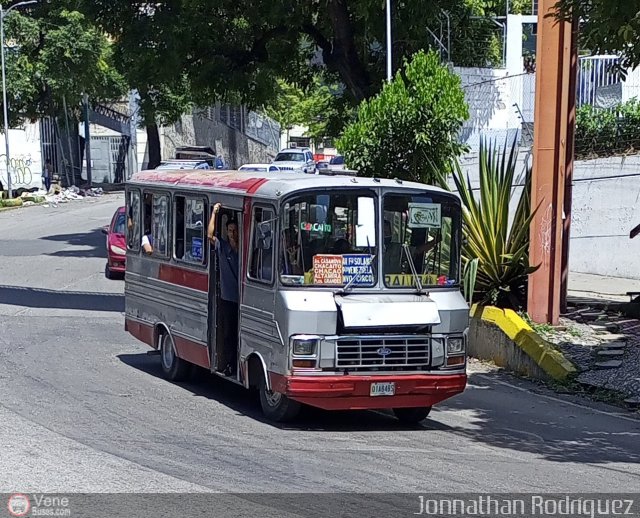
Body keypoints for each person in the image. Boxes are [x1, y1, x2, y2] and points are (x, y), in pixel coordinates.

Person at [207, 202, 239, 376]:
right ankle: (228, 365)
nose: (232, 234)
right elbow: (210, 235)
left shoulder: (244, 251)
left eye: (235, 231)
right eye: (230, 231)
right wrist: (214, 213)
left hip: (243, 299)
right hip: (228, 298)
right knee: (228, 335)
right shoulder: (223, 247)